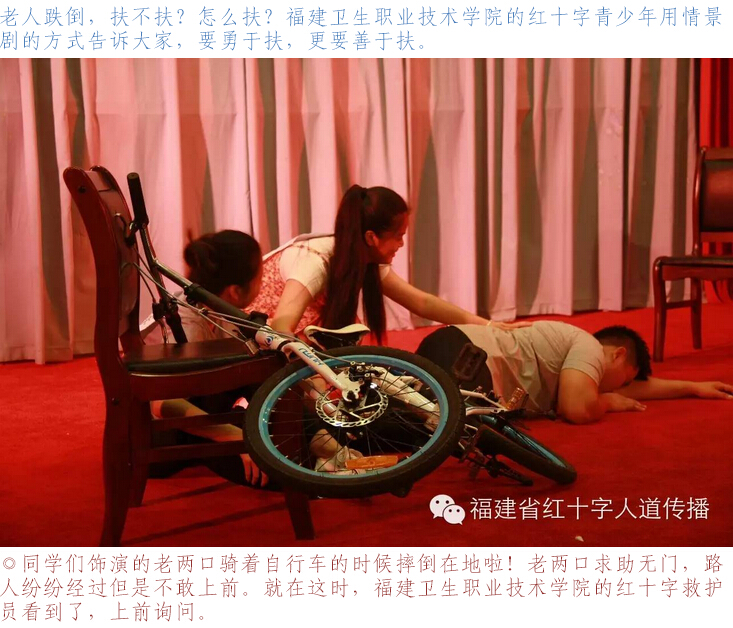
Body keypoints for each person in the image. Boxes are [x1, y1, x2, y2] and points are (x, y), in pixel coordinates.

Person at [248, 185, 529, 341]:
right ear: (371, 237)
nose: (401, 245)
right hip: (258, 327)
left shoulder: (361, 255)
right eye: (398, 237)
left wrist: (486, 325)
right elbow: (280, 327)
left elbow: (421, 302)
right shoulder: (315, 261)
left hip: (294, 325)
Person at [142, 229, 270, 487]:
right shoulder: (187, 323)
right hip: (167, 432)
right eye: (260, 277)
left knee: (266, 369)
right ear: (235, 291)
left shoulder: (217, 308)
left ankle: (326, 445)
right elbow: (163, 403)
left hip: (205, 404)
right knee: (274, 468)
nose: (263, 281)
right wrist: (235, 437)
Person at [415, 322, 733, 424]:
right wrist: (607, 402)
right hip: (469, 358)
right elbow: (577, 408)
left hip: (451, 350)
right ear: (618, 354)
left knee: (416, 420)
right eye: (624, 378)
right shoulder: (590, 346)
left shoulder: (575, 357)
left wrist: (693, 387)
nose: (620, 388)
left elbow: (633, 388)